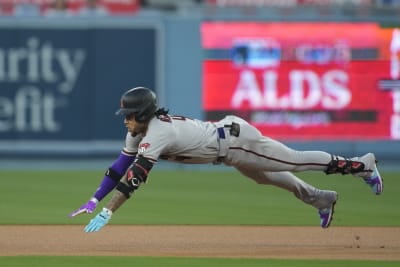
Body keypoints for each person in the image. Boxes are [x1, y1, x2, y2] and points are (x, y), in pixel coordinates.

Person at [69, 86, 384, 232]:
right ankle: (321, 199)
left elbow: (136, 176)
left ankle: (363, 165)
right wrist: (95, 199)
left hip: (235, 141)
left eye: (129, 115)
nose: (125, 120)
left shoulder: (156, 133)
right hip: (227, 148)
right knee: (264, 176)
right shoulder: (137, 133)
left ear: (142, 114)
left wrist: (109, 212)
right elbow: (119, 167)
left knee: (293, 161)